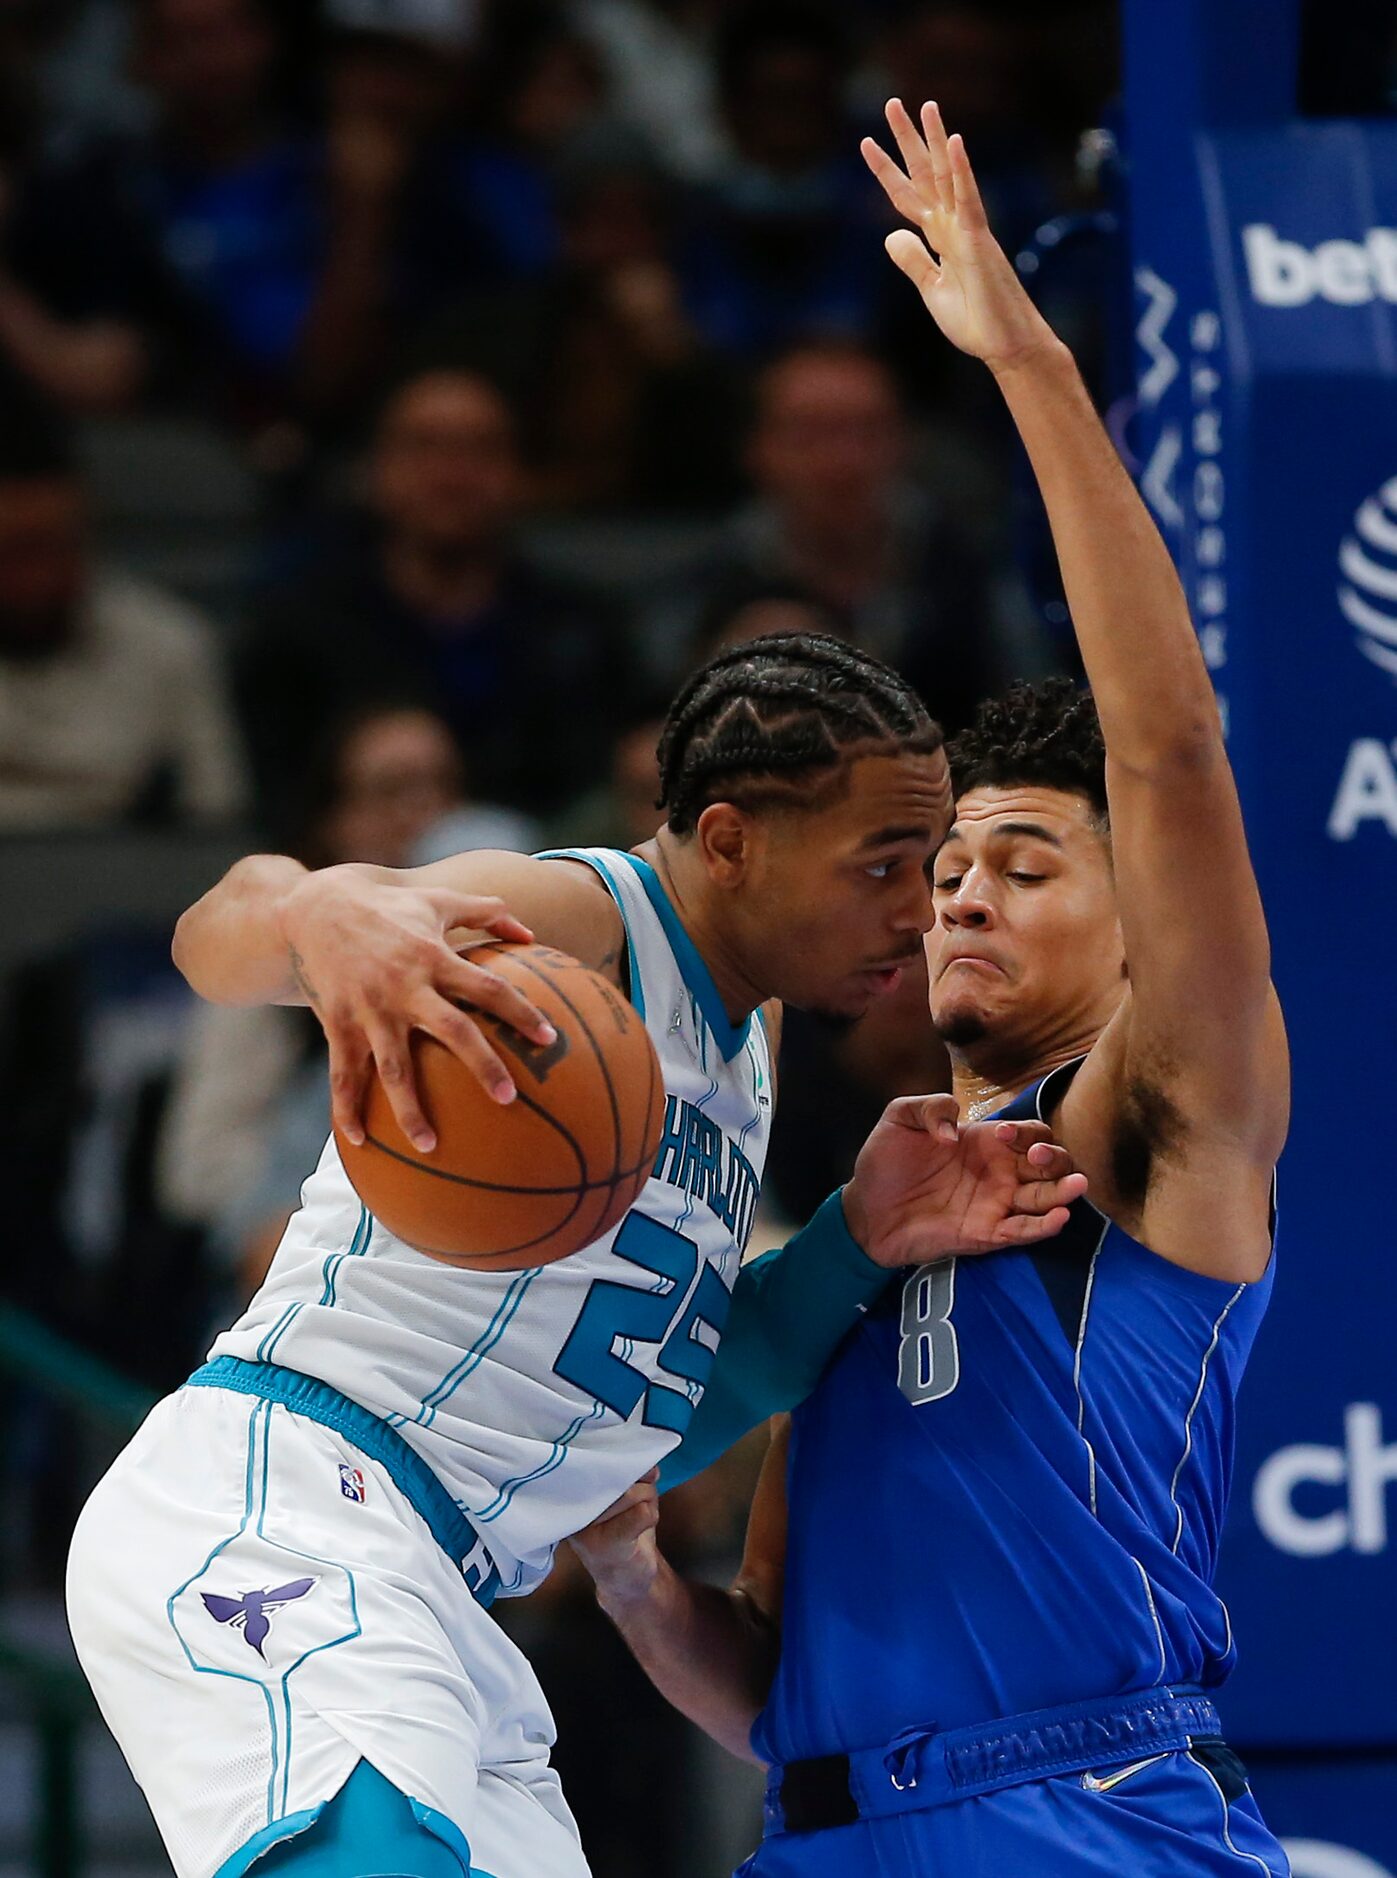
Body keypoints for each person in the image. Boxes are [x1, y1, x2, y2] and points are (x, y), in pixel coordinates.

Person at [570, 101, 1292, 1878]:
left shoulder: (1148, 1128)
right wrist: (624, 1574)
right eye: (949, 857)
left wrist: (1028, 367)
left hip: (1083, 1817)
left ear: (1136, 942)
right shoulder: (861, 1226)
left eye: (1027, 864)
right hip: (819, 1838)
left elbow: (1172, 750)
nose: (963, 885)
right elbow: (767, 1694)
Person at [66, 629, 1087, 1878]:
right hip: (283, 1506)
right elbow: (214, 937)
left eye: (918, 865)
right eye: (878, 865)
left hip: (452, 1594)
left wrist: (860, 1237)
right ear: (727, 843)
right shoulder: (579, 920)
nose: (911, 908)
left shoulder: (747, 1040)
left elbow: (678, 1400)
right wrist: (319, 904)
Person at [234, 367, 630, 838]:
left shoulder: (585, 633)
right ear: (374, 468)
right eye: (425, 447)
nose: (453, 476)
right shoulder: (294, 636)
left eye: (480, 450)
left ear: (519, 473)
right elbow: (281, 812)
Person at [650, 338, 1004, 729]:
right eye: (812, 434)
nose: (844, 462)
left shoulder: (972, 576)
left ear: (905, 441)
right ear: (758, 448)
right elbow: (644, 740)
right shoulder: (705, 589)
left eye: (868, 431)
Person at [0, 392, 247, 829]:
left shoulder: (171, 643)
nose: (41, 577)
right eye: (19, 551)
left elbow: (215, 819)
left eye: (61, 546)